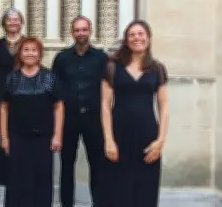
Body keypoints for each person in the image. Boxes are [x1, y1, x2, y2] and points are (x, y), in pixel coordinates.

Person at [101, 20, 170, 207]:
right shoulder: (112, 67)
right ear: (126, 39)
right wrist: (109, 140)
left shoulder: (157, 69)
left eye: (140, 34)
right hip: (119, 136)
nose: (136, 38)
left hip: (148, 137)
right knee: (118, 190)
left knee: (146, 190)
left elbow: (164, 107)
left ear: (148, 38)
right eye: (131, 34)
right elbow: (105, 105)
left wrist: (160, 141)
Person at [0, 37, 64, 207]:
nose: (30, 53)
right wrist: (4, 137)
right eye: (26, 50)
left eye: (34, 50)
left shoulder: (50, 77)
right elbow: (4, 108)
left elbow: (58, 106)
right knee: (17, 180)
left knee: (41, 180)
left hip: (42, 139)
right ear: (20, 54)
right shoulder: (12, 78)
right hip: (18, 139)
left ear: (40, 54)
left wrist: (57, 135)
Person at [52, 16, 108, 207]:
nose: (81, 33)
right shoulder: (62, 58)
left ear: (90, 31)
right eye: (77, 30)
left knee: (98, 164)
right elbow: (55, 89)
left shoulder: (101, 58)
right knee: (67, 164)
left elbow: (108, 88)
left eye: (84, 29)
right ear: (72, 32)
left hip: (94, 118)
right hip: (69, 118)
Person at [0, 8, 24, 186]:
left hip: (23, 91)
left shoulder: (27, 43)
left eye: (16, 19)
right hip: (2, 91)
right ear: (4, 23)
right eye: (9, 20)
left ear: (21, 22)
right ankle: (0, 173)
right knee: (0, 132)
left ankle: (18, 171)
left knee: (18, 131)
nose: (12, 22)